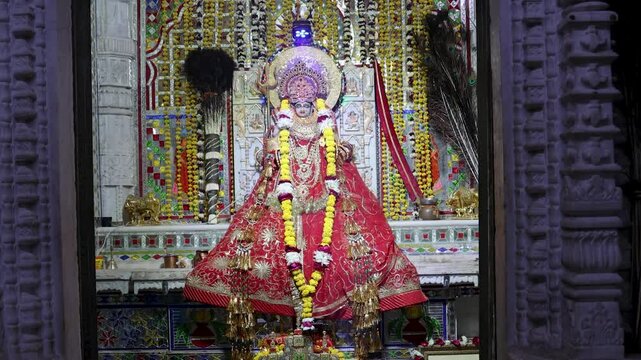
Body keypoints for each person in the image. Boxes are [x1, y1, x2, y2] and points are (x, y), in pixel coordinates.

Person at [184, 44, 426, 355]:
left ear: (317, 94)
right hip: (285, 203)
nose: (301, 94)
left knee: (353, 257)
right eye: (295, 88)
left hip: (323, 203)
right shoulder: (280, 121)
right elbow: (269, 152)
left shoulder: (326, 122)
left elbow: (338, 151)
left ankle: (326, 330)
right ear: (286, 94)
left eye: (307, 88)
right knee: (258, 259)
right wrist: (269, 151)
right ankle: (289, 329)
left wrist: (342, 151)